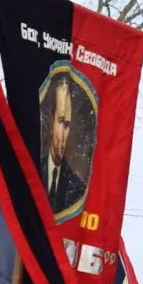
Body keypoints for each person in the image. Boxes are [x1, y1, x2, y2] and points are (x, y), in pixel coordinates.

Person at [40, 74, 86, 216]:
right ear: (51, 120)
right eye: (61, 121)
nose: (64, 132)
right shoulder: (31, 171)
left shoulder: (77, 188)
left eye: (67, 125)